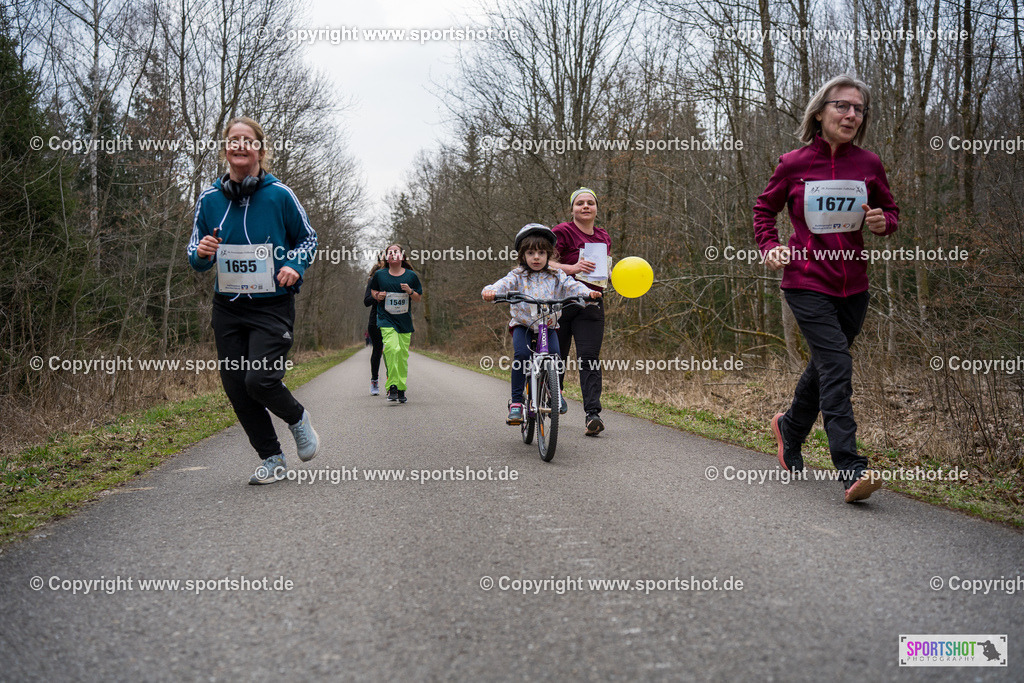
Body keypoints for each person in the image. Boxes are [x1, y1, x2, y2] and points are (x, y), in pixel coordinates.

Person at [753, 75, 899, 503]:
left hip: (853, 284)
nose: (852, 114)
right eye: (843, 106)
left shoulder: (868, 164)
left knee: (826, 363)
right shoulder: (794, 163)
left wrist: (882, 223)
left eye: (859, 109)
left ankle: (790, 427)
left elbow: (890, 213)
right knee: (837, 365)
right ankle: (851, 467)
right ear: (819, 112)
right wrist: (770, 246)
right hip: (806, 280)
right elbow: (765, 209)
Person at [187, 116, 320, 485]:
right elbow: (194, 251)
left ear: (260, 149)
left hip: (272, 305)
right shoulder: (210, 199)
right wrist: (201, 252)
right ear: (225, 149)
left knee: (259, 379)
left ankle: (297, 418)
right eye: (233, 139)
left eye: (247, 139)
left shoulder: (280, 195)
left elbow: (308, 239)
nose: (239, 145)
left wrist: (294, 265)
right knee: (235, 385)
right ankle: (272, 458)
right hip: (227, 306)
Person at [482, 224, 601, 425]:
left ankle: (553, 392)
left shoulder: (556, 275)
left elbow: (572, 286)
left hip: (548, 327)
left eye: (541, 252)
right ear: (522, 256)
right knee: (521, 356)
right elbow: (502, 285)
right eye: (530, 253)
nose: (536, 257)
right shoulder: (518, 275)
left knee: (555, 356)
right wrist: (490, 291)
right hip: (524, 325)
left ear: (549, 255)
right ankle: (517, 403)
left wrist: (587, 294)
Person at [551, 187, 611, 436]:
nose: (585, 207)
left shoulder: (604, 235)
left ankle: (592, 415)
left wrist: (609, 275)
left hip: (592, 303)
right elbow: (546, 263)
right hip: (561, 302)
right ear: (572, 209)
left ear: (596, 208)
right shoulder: (561, 231)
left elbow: (603, 268)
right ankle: (554, 399)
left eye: (590, 203)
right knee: (558, 356)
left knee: (589, 358)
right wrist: (573, 267)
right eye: (580, 203)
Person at [369, 245, 422, 403]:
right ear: (386, 257)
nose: (393, 254)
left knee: (402, 355)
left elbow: (418, 297)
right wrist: (378, 295)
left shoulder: (411, 276)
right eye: (389, 252)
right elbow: (372, 291)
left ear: (402, 257)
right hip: (386, 319)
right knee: (392, 349)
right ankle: (392, 386)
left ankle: (401, 388)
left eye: (396, 252)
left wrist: (410, 291)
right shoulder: (380, 275)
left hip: (404, 321)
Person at [363, 257, 387, 395]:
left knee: (391, 351)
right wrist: (377, 296)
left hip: (393, 319)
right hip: (376, 320)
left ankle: (392, 383)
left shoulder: (395, 279)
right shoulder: (373, 280)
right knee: (377, 351)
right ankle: (374, 381)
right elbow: (366, 301)